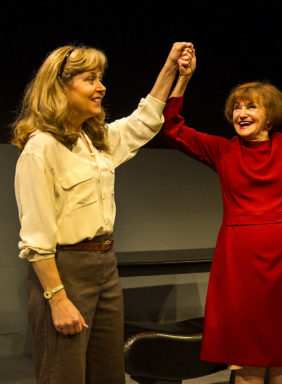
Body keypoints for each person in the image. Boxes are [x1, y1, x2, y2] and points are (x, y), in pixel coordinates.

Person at [159, 50, 282, 384]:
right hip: (240, 264)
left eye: (251, 106)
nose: (241, 113)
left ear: (270, 117)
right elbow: (170, 128)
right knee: (247, 358)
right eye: (237, 107)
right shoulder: (221, 150)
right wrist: (182, 78)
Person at [12, 42, 194, 384]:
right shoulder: (40, 148)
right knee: (63, 373)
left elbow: (145, 121)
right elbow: (35, 239)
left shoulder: (95, 141)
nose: (102, 87)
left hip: (105, 266)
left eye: (101, 78)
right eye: (90, 79)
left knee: (109, 373)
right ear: (60, 87)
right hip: (65, 270)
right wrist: (57, 298)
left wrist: (172, 69)